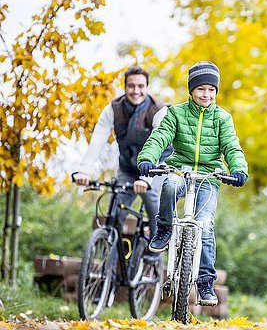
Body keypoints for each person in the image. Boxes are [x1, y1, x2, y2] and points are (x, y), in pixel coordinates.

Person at [134, 60, 249, 306]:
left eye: (210, 89)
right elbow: (160, 137)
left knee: (205, 226)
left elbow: (231, 146)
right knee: (170, 186)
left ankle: (206, 283)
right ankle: (164, 228)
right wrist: (147, 158)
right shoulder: (176, 113)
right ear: (191, 90)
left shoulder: (222, 118)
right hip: (181, 169)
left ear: (215, 91)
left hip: (209, 176)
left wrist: (238, 168)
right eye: (200, 89)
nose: (206, 94)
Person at [73, 66, 172, 262]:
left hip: (157, 164)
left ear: (147, 87)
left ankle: (157, 241)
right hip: (128, 168)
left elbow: (159, 147)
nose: (136, 91)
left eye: (141, 86)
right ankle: (107, 270)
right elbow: (98, 140)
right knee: (115, 211)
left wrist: (146, 178)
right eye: (131, 86)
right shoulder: (113, 109)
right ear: (125, 87)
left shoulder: (158, 111)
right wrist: (83, 170)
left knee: (149, 193)